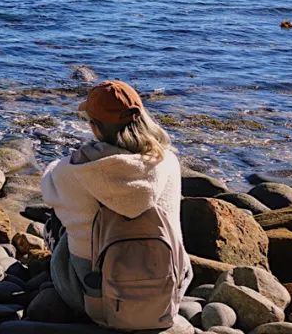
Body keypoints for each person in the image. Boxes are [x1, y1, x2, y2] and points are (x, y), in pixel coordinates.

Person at [41, 80, 192, 328]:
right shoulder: (168, 162)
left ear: (96, 127)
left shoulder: (73, 170)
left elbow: (47, 188)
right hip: (167, 291)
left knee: (59, 222)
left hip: (91, 294)